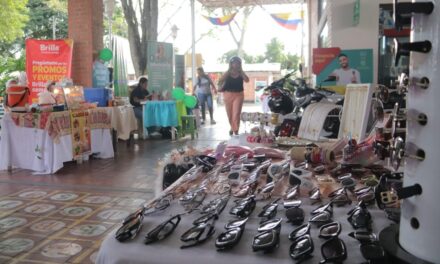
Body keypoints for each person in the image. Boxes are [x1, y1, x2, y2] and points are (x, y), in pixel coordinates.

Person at [218, 56, 249, 136]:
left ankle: (236, 130)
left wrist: (241, 72)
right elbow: (220, 80)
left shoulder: (241, 73)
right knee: (229, 114)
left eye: (238, 63)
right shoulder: (227, 73)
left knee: (236, 113)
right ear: (231, 64)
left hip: (239, 94)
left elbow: (247, 80)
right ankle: (232, 127)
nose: (236, 64)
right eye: (234, 63)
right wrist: (220, 87)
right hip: (227, 94)